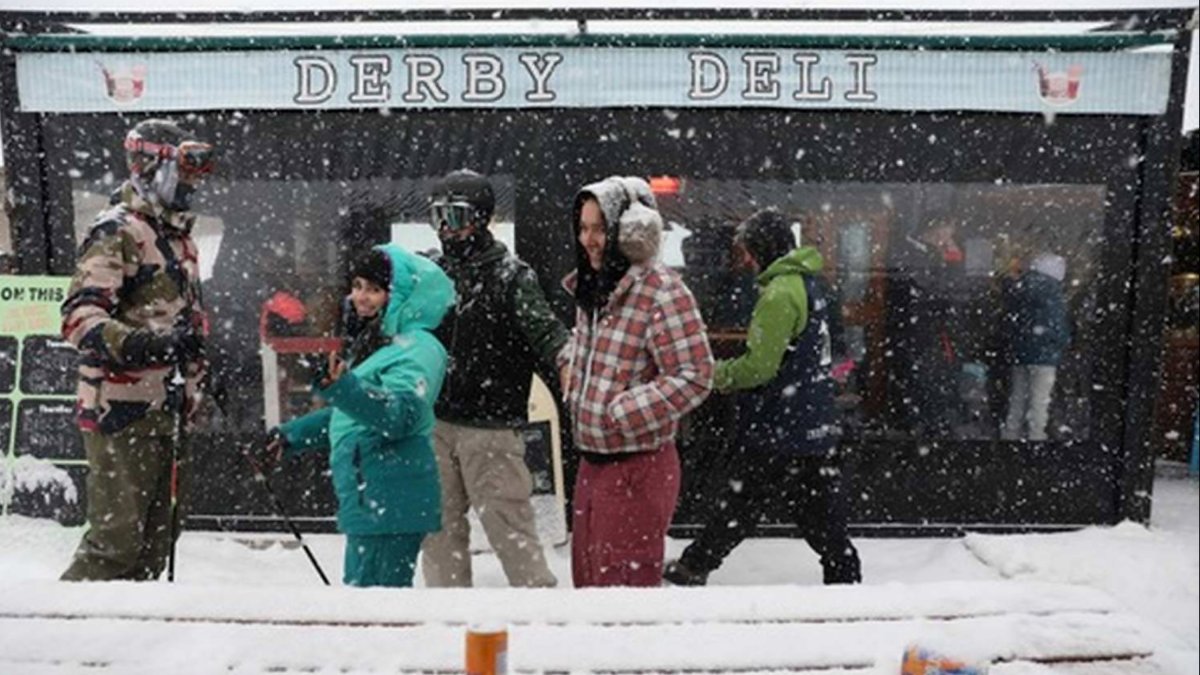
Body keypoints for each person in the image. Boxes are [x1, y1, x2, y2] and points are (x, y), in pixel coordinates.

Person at [663, 209, 861, 587]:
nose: (748, 260)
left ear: (763, 249)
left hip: (779, 422)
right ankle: (845, 576)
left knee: (742, 501)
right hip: (811, 418)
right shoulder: (811, 284)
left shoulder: (779, 293)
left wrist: (712, 375)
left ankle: (694, 565)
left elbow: (760, 367)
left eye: (750, 250)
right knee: (814, 511)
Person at [59, 118, 216, 581]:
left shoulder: (177, 236)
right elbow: (79, 319)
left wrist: (197, 363)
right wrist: (151, 344)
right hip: (120, 409)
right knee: (115, 545)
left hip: (167, 406)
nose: (191, 182)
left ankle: (132, 641)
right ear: (152, 166)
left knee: (157, 542)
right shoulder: (118, 230)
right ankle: (70, 634)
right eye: (184, 169)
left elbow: (177, 315)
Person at [268, 245, 454, 587]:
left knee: (376, 619)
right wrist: (291, 436)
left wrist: (345, 388)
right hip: (370, 500)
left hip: (388, 501)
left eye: (374, 289)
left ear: (398, 295)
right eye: (356, 286)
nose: (361, 297)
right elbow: (350, 416)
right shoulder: (378, 342)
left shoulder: (419, 347)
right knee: (366, 610)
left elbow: (400, 416)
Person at [560, 175, 714, 587]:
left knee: (622, 605)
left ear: (631, 232)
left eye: (600, 228)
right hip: (593, 467)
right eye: (584, 227)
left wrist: (620, 412)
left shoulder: (663, 293)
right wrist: (569, 361)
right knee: (589, 588)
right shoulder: (595, 289)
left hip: (637, 469)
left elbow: (696, 374)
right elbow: (590, 347)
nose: (589, 239)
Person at [419, 169, 569, 588]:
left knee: (510, 529)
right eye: (437, 218)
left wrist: (567, 361)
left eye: (456, 216)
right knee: (438, 531)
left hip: (491, 427)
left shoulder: (510, 275)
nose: (447, 229)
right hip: (436, 422)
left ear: (482, 218)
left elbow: (548, 333)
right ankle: (449, 621)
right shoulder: (430, 272)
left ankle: (539, 620)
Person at [885, 216, 966, 437]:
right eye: (945, 235)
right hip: (918, 333)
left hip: (924, 332)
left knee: (926, 383)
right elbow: (944, 290)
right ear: (934, 230)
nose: (947, 241)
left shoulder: (923, 253)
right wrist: (954, 262)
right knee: (922, 383)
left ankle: (923, 425)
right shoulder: (914, 254)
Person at [1001, 252, 1070, 441]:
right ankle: (1035, 439)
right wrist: (1063, 342)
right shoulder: (1053, 292)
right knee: (1039, 402)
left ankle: (1010, 435)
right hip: (1045, 355)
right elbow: (1057, 328)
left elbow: (1011, 322)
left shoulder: (1020, 288)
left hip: (1021, 352)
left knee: (1018, 398)